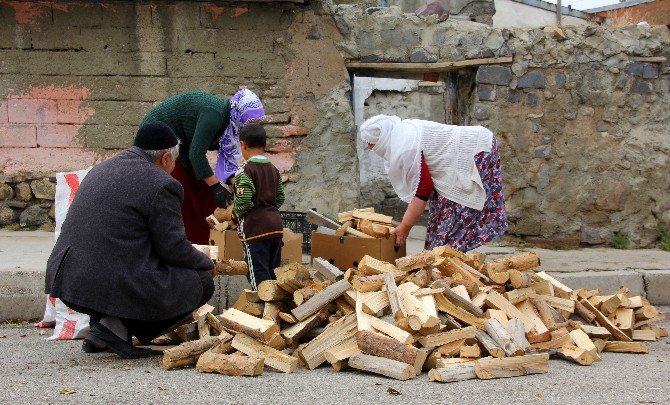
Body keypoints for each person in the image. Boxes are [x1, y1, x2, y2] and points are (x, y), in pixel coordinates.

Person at [45, 123, 216, 359]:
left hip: (68, 279)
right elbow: (173, 249)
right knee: (202, 283)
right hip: (106, 281)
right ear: (166, 157)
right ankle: (115, 330)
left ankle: (104, 325)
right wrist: (205, 261)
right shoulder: (164, 184)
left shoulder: (101, 168)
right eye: (175, 160)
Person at [359, 114, 508, 252]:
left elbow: (423, 190)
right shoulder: (400, 134)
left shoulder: (405, 145)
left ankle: (446, 261)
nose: (371, 148)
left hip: (475, 149)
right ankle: (440, 260)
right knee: (441, 216)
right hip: (467, 150)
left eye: (371, 144)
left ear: (382, 139)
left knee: (456, 212)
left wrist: (405, 227)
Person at [140, 89, 265, 244]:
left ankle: (204, 245)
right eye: (251, 123)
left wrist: (239, 188)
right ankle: (181, 244)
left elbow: (228, 161)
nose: (251, 128)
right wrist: (216, 188)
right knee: (183, 194)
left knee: (205, 196)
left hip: (183, 147)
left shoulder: (229, 125)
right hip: (158, 142)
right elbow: (196, 153)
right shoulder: (214, 116)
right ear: (241, 114)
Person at [232, 124, 285, 290]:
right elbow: (280, 197)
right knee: (273, 272)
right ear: (265, 145)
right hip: (276, 227)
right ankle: (274, 307)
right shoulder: (274, 170)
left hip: (256, 230)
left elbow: (245, 200)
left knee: (258, 275)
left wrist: (234, 214)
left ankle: (263, 309)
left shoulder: (244, 170)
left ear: (243, 145)